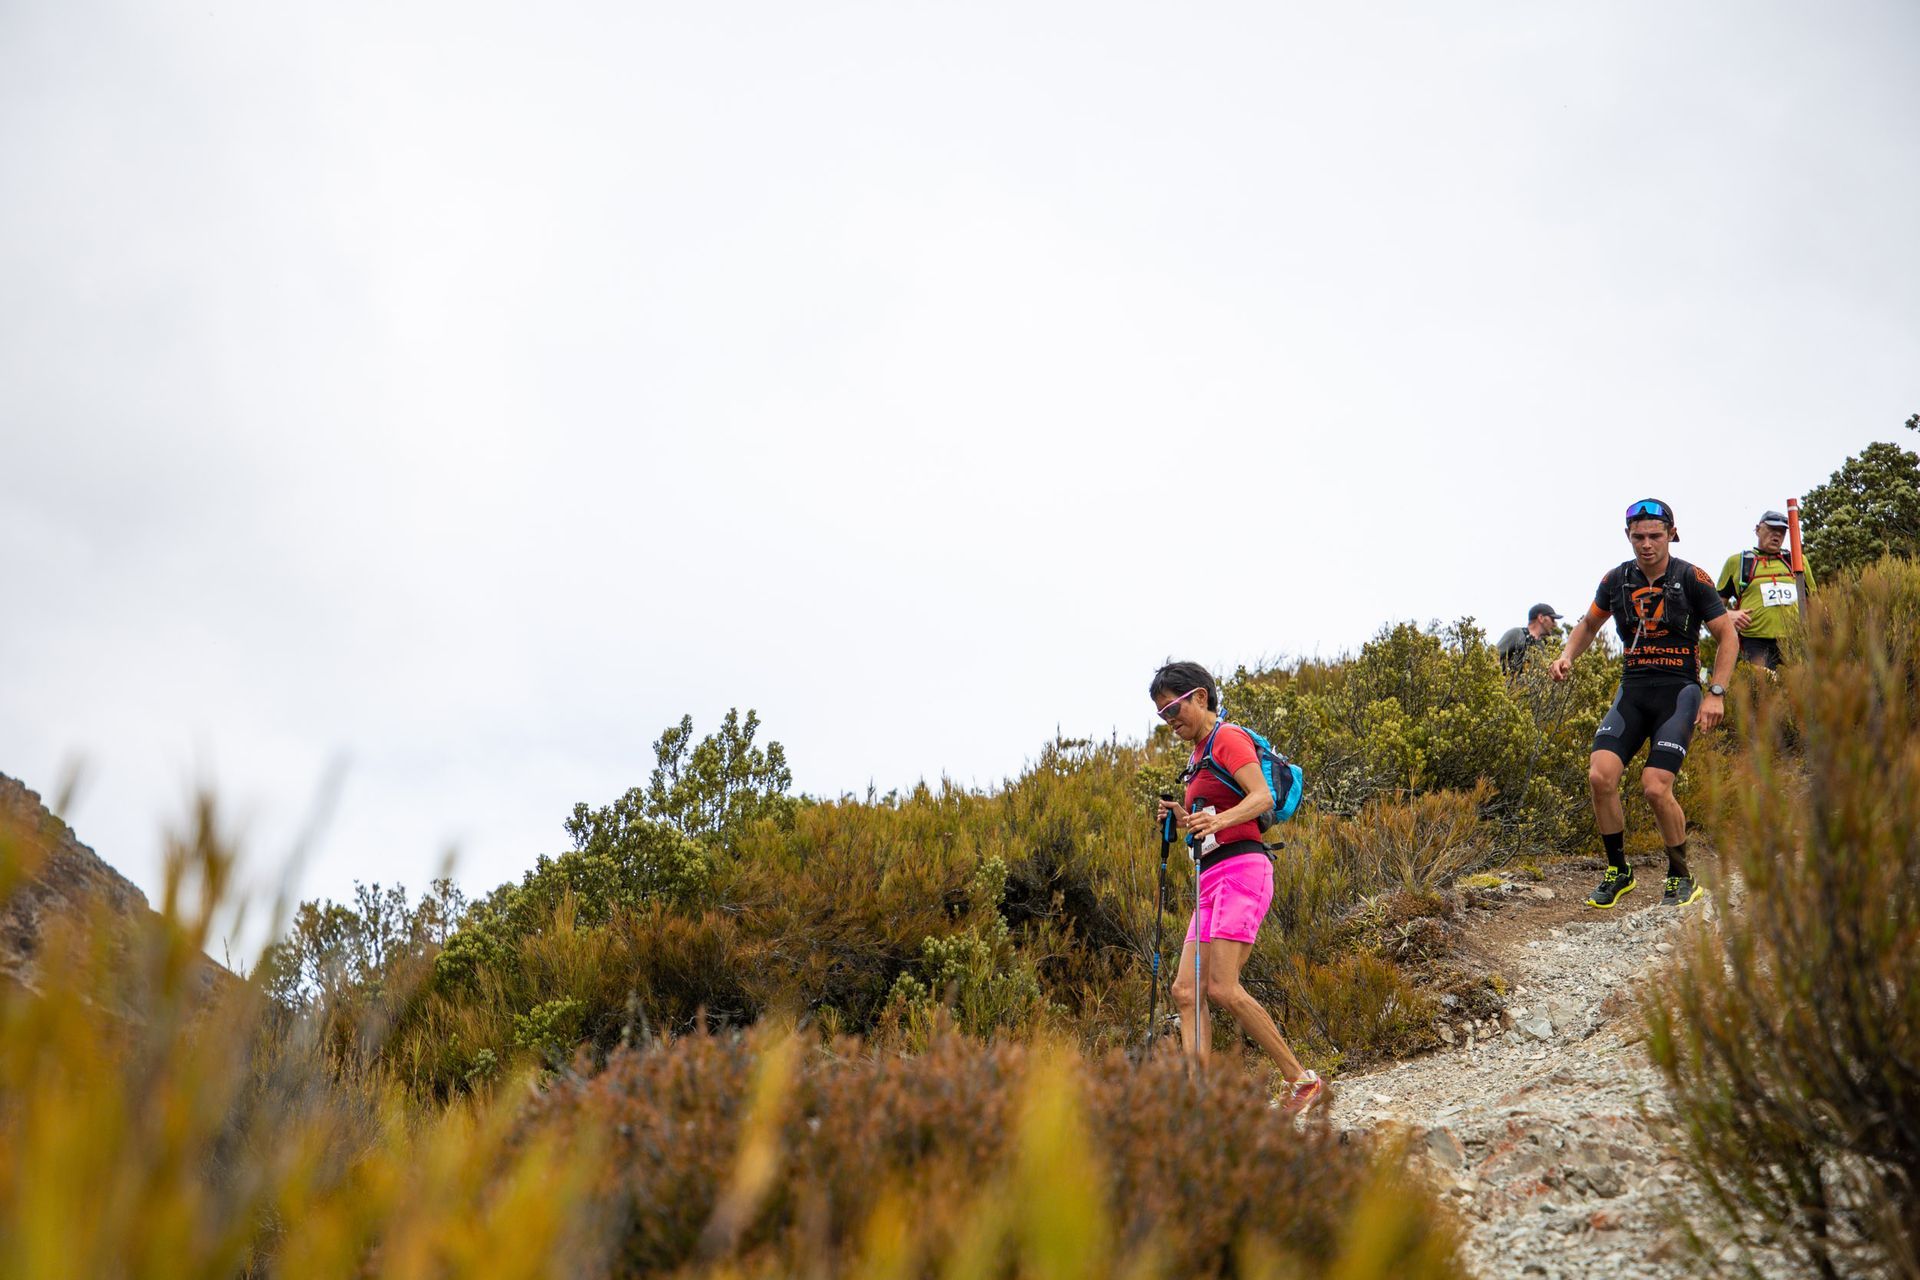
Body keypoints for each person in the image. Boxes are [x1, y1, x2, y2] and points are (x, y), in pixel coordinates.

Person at [1149, 661, 1324, 1113]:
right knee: (1185, 991)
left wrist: (1219, 819)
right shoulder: (1196, 755)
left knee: (1222, 988)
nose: (1171, 722)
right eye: (1162, 716)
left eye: (1173, 709)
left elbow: (1261, 797)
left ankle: (1302, 1080)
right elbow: (1209, 818)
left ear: (1200, 697)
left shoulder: (1227, 738)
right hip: (1210, 877)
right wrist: (1180, 819)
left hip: (1241, 872)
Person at [1549, 500, 1738, 909]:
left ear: (1671, 533)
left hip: (1678, 692)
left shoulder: (1692, 577)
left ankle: (1680, 874)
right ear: (1628, 537)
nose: (1647, 544)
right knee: (1600, 777)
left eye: (1655, 535)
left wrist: (1716, 693)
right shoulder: (1616, 579)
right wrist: (1567, 655)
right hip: (1633, 691)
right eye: (1639, 537)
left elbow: (1728, 636)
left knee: (1655, 787)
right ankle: (1619, 871)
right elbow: (1587, 625)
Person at [1715, 510, 1814, 671]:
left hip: (1793, 640)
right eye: (1771, 529)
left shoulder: (1798, 560)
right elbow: (1713, 606)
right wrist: (1729, 615)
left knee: (1795, 690)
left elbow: (1813, 601)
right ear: (1757, 529)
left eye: (1781, 531)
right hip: (1755, 641)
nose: (1776, 535)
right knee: (1764, 686)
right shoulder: (1737, 562)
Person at [1497, 604, 1563, 675]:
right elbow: (1494, 657)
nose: (1555, 624)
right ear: (1541, 618)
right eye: (1552, 619)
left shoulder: (1543, 646)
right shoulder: (1517, 634)